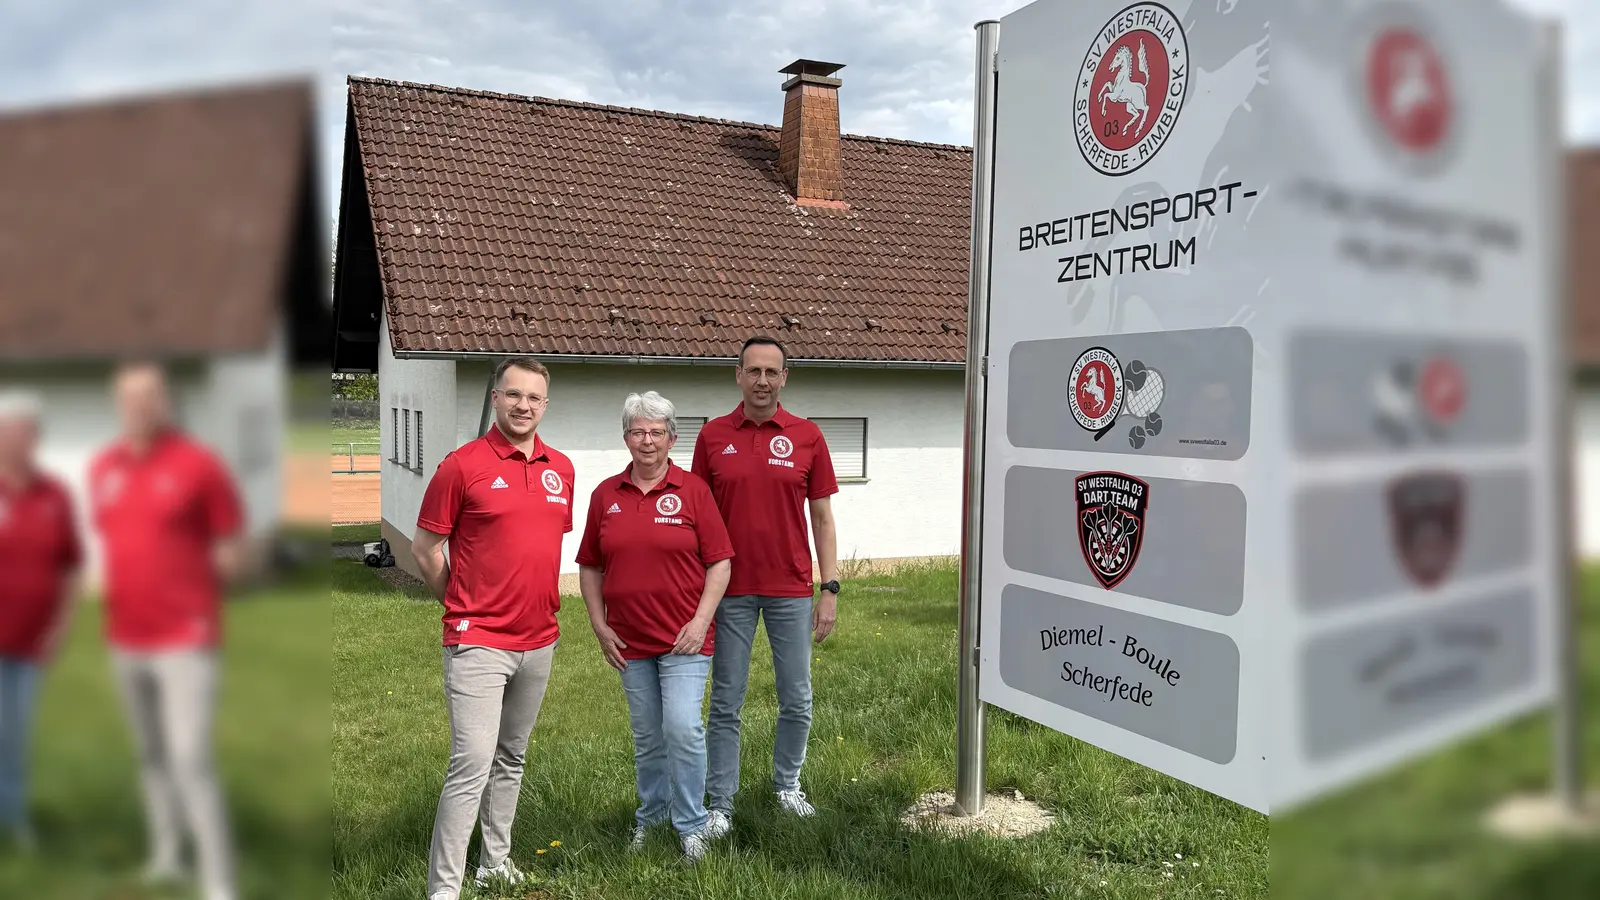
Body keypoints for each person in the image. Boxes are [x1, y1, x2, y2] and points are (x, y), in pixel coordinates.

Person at [412, 356, 574, 900]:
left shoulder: (562, 469)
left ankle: (495, 863)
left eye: (534, 398)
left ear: (545, 405)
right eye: (513, 395)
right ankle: (444, 888)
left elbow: (539, 542)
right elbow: (426, 548)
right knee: (471, 764)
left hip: (539, 640)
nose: (523, 406)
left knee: (511, 756)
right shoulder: (462, 466)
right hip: (478, 641)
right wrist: (461, 604)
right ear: (495, 396)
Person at [89, 363, 244, 900]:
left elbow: (229, 544)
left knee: (189, 758)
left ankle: (218, 879)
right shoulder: (103, 467)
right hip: (125, 637)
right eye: (127, 400)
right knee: (151, 755)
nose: (137, 409)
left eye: (147, 398)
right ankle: (166, 855)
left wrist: (202, 598)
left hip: (184, 639)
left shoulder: (199, 466)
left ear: (166, 403)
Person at [576, 392, 734, 863]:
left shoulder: (694, 491)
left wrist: (701, 619)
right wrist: (599, 626)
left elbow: (720, 562)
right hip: (629, 641)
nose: (648, 441)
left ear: (672, 438)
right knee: (648, 736)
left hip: (685, 639)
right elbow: (589, 566)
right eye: (638, 432)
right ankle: (652, 817)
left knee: (683, 728)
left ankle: (692, 824)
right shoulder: (606, 495)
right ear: (626, 438)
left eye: (657, 432)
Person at [691, 335, 841, 833]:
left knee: (796, 697)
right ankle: (720, 803)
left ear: (784, 378)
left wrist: (830, 588)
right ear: (738, 375)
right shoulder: (712, 436)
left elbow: (821, 516)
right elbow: (698, 516)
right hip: (729, 591)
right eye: (752, 371)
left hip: (792, 588)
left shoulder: (807, 436)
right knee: (726, 701)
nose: (762, 380)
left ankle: (786, 786)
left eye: (771, 372)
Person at [0, 390, 82, 850]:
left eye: (27, 432)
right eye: (10, 432)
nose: (18, 441)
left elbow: (71, 565)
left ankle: (12, 820)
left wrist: (62, 626)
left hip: (32, 644)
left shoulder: (57, 496)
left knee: (15, 736)